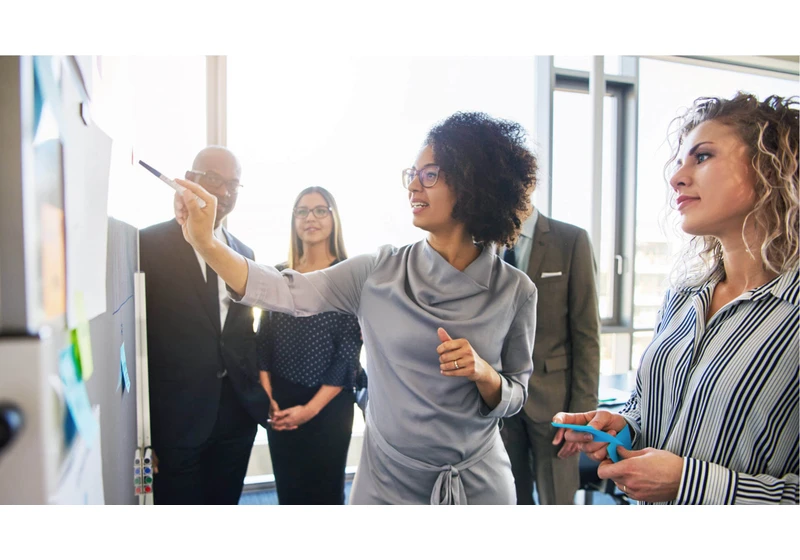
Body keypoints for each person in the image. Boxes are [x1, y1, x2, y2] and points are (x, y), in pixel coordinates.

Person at [173, 112, 539, 505]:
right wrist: (207, 244)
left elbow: (516, 393)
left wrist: (485, 373)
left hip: (477, 485)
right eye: (411, 174)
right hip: (386, 481)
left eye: (429, 175)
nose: (413, 186)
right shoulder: (377, 271)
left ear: (472, 184)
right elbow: (281, 290)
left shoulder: (515, 290)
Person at [554, 92, 799, 505]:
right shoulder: (683, 297)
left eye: (702, 157)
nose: (677, 178)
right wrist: (624, 427)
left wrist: (690, 483)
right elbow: (649, 409)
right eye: (681, 161)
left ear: (771, 166)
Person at [140, 146, 271, 505]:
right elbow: (144, 339)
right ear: (191, 179)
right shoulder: (147, 244)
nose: (225, 193)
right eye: (215, 180)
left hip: (236, 415)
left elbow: (242, 333)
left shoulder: (245, 253)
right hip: (177, 417)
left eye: (233, 184)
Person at [257, 186, 363, 504]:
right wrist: (268, 398)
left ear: (334, 218)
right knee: (288, 492)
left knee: (325, 493)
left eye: (320, 210)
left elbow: (348, 354)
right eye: (302, 211)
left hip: (329, 405)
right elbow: (263, 339)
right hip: (281, 400)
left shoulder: (350, 275)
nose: (310, 218)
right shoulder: (279, 274)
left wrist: (310, 410)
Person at [499, 207, 600, 505]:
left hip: (555, 405)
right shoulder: (483, 242)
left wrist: (581, 416)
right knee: (508, 500)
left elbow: (587, 334)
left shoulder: (571, 239)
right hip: (499, 402)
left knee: (557, 501)